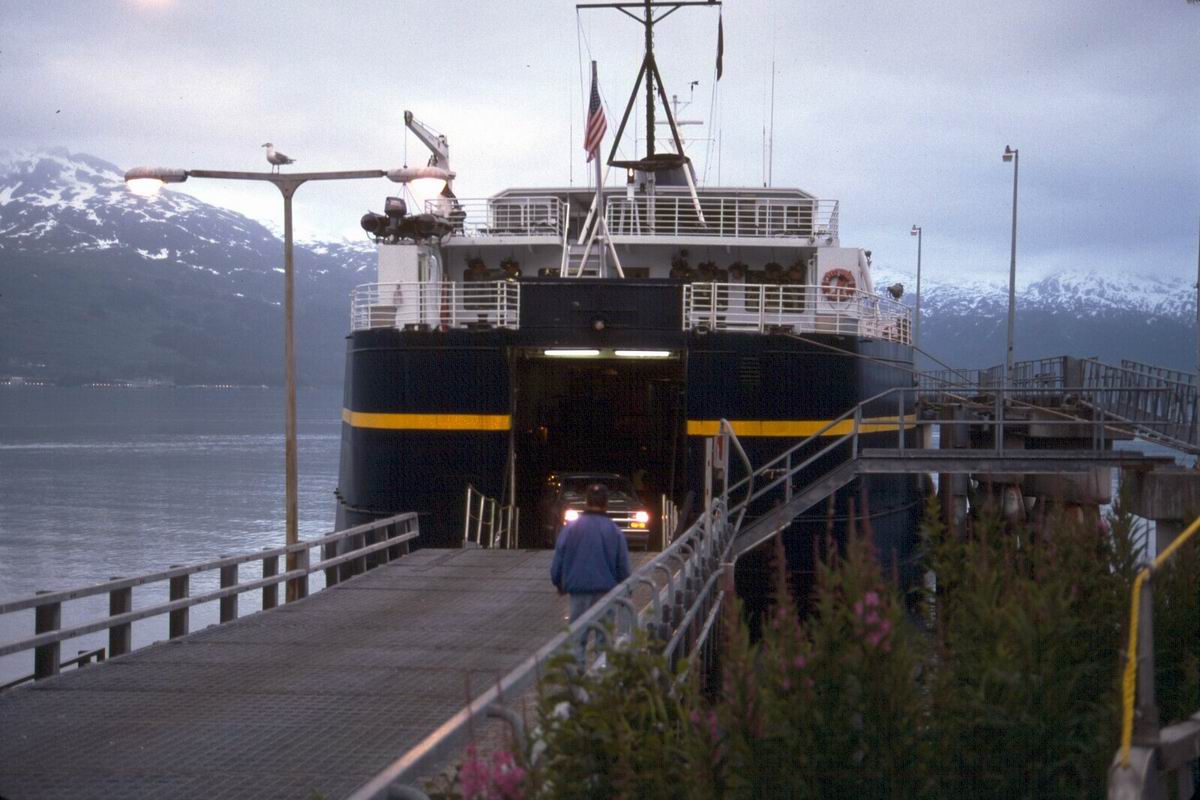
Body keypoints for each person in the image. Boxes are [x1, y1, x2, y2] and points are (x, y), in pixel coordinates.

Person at [550, 483, 631, 661]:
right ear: (606, 503)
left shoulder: (570, 528)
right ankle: (601, 677)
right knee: (604, 639)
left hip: (578, 591)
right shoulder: (614, 531)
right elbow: (623, 567)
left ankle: (576, 679)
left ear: (586, 501)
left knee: (577, 639)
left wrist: (558, 582)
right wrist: (627, 589)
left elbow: (558, 558)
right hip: (605, 593)